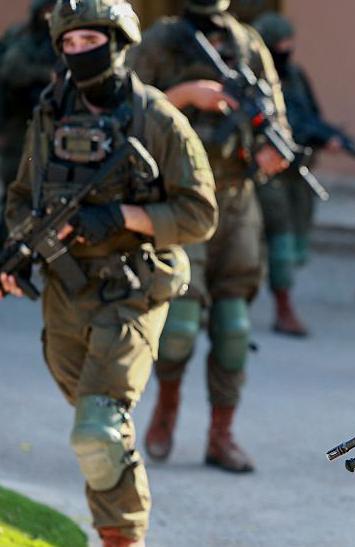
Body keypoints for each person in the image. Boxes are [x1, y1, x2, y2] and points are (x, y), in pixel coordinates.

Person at [1, 0, 217, 544]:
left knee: (99, 431)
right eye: (68, 45)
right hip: (64, 292)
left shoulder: (158, 118)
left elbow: (200, 214)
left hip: (133, 288)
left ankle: (123, 536)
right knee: (95, 431)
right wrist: (23, 249)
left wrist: (123, 216)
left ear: (117, 42)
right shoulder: (50, 115)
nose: (79, 53)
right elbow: (22, 196)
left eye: (90, 41)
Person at [129, 0, 290, 473]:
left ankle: (221, 435)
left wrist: (271, 150)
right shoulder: (162, 39)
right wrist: (184, 94)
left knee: (234, 328)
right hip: (181, 194)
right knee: (178, 324)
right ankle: (168, 405)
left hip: (237, 197)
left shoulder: (246, 42)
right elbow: (126, 108)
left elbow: (274, 112)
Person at [252, 12, 341, 336]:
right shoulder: (252, 80)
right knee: (281, 241)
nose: (285, 52)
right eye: (279, 46)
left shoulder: (296, 76)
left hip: (299, 171)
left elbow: (311, 116)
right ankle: (282, 308)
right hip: (268, 173)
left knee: (297, 243)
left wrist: (325, 138)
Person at [0, 0, 58, 243]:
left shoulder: (63, 39)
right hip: (18, 132)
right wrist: (46, 76)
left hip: (53, 131)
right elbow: (12, 70)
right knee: (16, 198)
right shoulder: (23, 39)